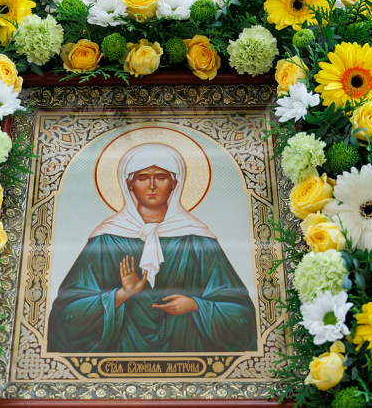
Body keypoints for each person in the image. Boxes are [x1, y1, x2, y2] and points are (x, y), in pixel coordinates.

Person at [47, 143, 257, 353]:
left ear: (175, 183)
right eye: (142, 177)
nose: (152, 185)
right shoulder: (106, 239)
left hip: (187, 353)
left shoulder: (198, 239)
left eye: (161, 177)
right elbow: (65, 314)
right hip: (120, 358)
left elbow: (241, 314)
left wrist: (195, 305)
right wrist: (121, 294)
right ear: (129, 184)